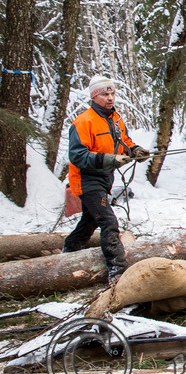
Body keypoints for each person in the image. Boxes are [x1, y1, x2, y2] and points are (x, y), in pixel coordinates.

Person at [63, 75, 151, 283]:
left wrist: (135, 150)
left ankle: (69, 252)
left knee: (91, 220)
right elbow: (77, 156)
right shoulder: (83, 122)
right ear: (94, 97)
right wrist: (110, 159)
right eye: (105, 94)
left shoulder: (116, 118)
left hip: (104, 179)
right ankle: (118, 271)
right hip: (86, 179)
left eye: (112, 93)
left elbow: (123, 141)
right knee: (108, 221)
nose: (110, 98)